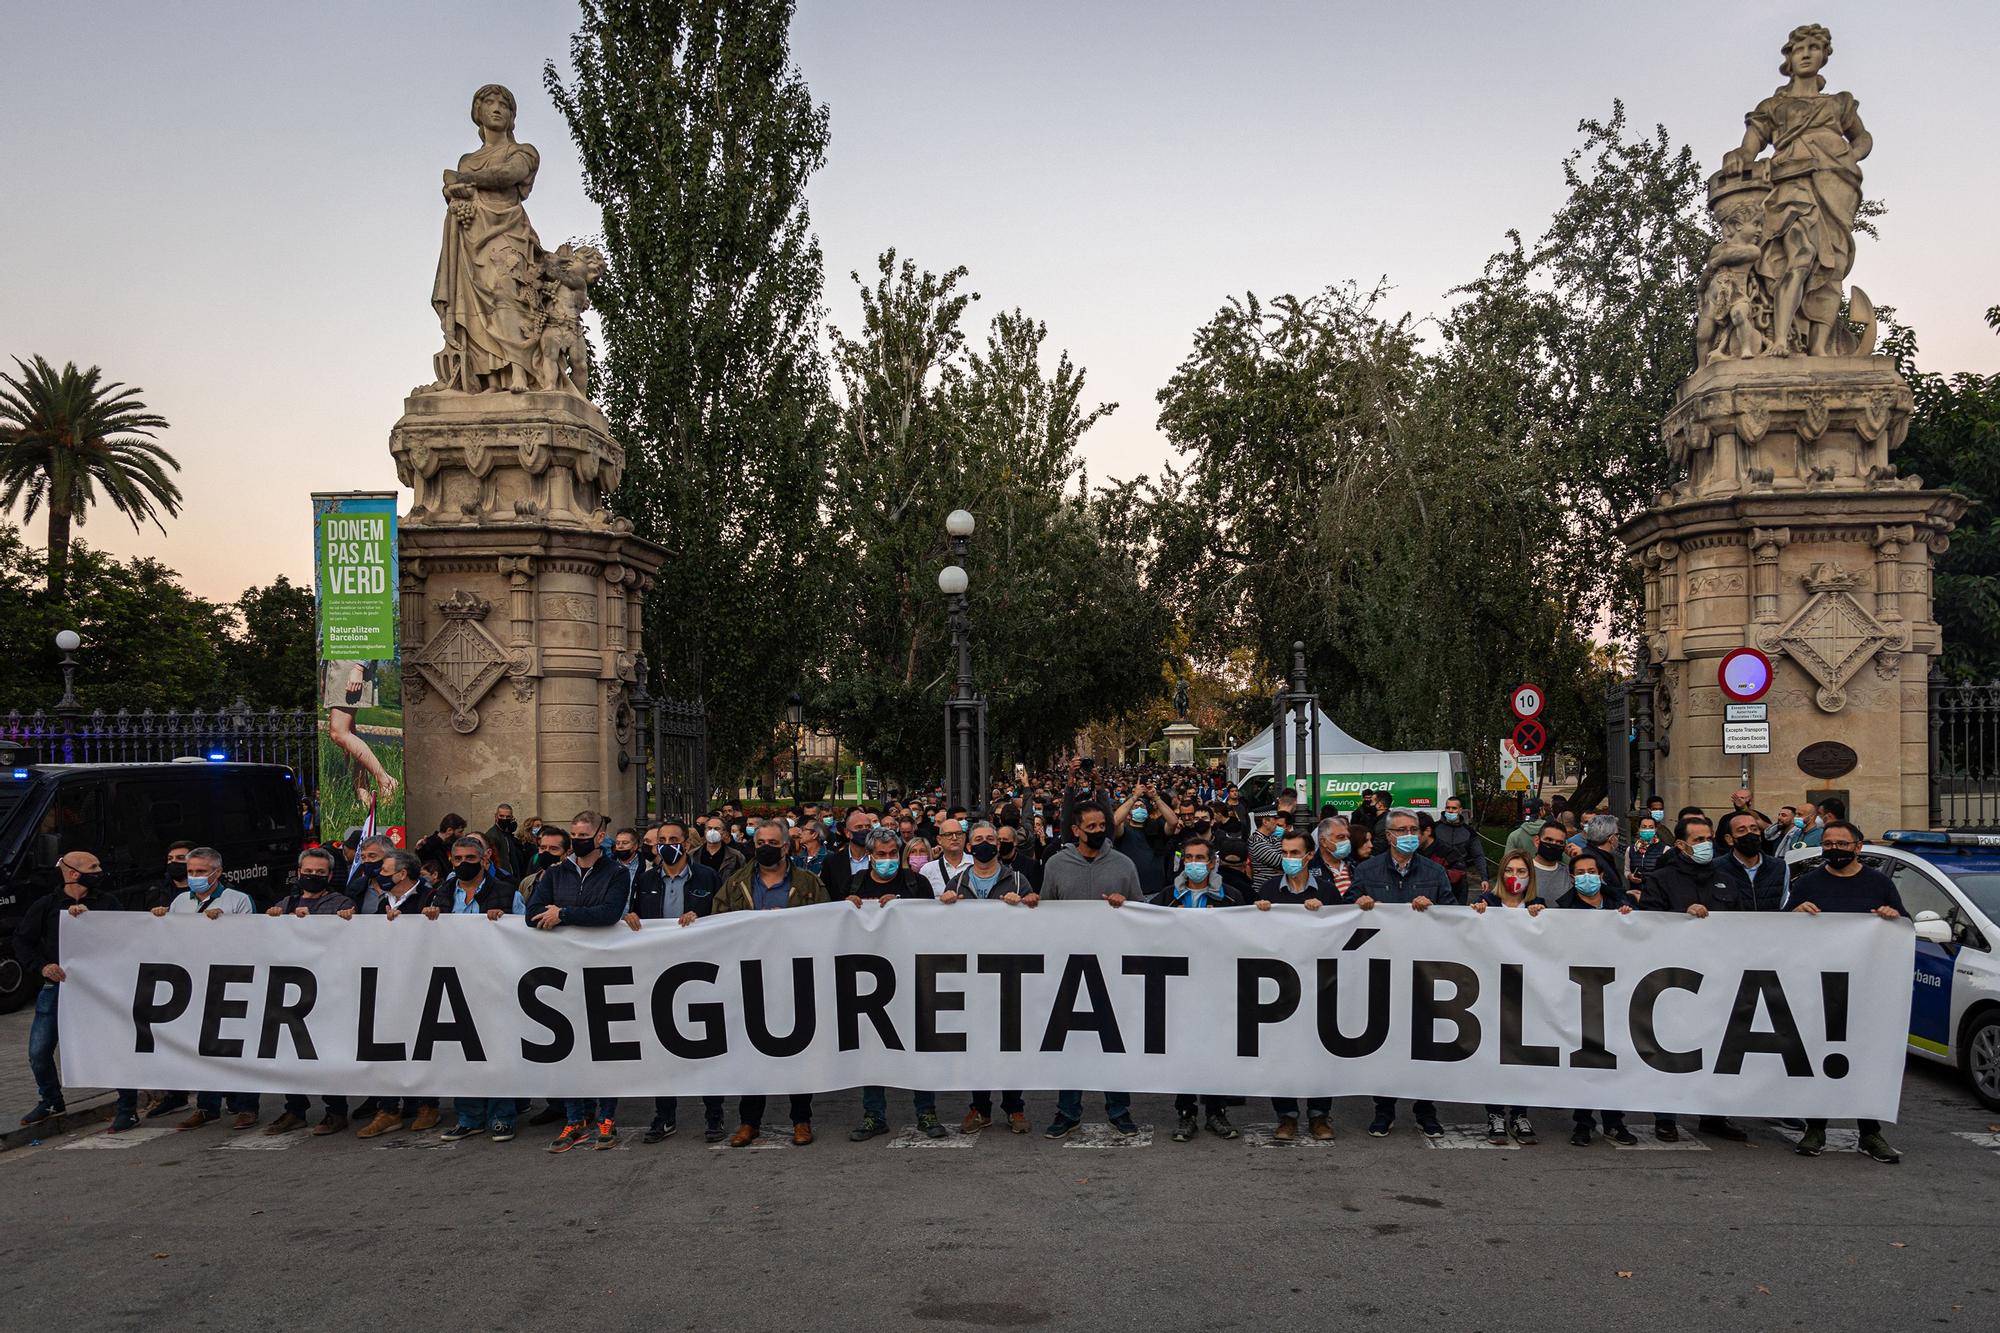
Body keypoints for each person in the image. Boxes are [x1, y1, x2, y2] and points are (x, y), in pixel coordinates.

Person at [1786, 820, 1905, 1163]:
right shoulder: (1808, 882)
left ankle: (1870, 1133)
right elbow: (1780, 927)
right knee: (1819, 1053)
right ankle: (1816, 1127)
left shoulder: (1879, 883)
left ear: (1857, 847)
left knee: (1864, 1057)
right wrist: (1795, 912)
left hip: (1868, 989)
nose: (1834, 848)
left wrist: (1891, 915)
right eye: (1828, 843)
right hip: (1819, 986)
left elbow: (1903, 924)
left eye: (1841, 843)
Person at [709, 819, 827, 1147]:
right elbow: (718, 923)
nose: (765, 847)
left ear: (786, 846)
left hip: (794, 977)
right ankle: (749, 1121)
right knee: (751, 1052)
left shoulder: (808, 884)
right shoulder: (736, 884)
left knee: (797, 1051)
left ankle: (801, 1119)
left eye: (773, 842)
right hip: (750, 979)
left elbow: (826, 924)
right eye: (760, 842)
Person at [1637, 815, 1750, 1144]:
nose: (1706, 845)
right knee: (1672, 1047)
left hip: (1718, 976)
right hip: (1673, 978)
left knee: (1717, 1046)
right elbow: (1650, 922)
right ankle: (1666, 1116)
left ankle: (1714, 1115)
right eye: (1698, 840)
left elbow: (1745, 924)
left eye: (1708, 838)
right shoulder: (1661, 879)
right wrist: (1682, 918)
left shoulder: (1728, 879)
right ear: (1682, 845)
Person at [16, 850, 141, 1132]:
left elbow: (125, 938)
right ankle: (50, 1100)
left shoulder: (108, 903)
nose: (100, 871)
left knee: (114, 1047)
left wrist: (90, 921)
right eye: (93, 867)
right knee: (39, 1051)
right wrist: (42, 967)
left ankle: (127, 1108)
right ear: (73, 873)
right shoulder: (46, 905)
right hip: (57, 989)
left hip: (99, 991)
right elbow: (23, 941)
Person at [1040, 800, 1140, 1140]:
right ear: (1076, 831)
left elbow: (1142, 913)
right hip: (1067, 966)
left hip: (1113, 967)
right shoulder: (1055, 865)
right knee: (1070, 1042)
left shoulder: (1124, 865)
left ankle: (1119, 1109)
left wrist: (1125, 907)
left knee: (1113, 1041)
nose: (1099, 832)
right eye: (1092, 827)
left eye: (1103, 826)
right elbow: (1045, 914)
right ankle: (1067, 1111)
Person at [1355, 809, 1454, 1139]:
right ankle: (1384, 1109)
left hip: (1423, 971)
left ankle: (1426, 1109)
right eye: (1403, 829)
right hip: (1382, 971)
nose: (1411, 833)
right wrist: (1360, 903)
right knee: (1385, 1043)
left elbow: (1455, 916)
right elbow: (1345, 911)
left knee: (1425, 1043)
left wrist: (1435, 910)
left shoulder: (1434, 872)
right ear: (1389, 835)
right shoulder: (1367, 870)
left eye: (1415, 828)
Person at [623, 817, 723, 1143]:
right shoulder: (645, 878)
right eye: (661, 839)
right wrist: (631, 916)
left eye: (674, 838)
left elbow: (724, 917)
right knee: (661, 1046)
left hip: (700, 971)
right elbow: (632, 912)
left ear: (688, 843)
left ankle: (714, 1115)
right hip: (657, 972)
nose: (667, 844)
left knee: (706, 1044)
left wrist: (701, 918)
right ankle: (664, 1116)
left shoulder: (707, 876)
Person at [845, 827, 944, 1140]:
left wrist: (903, 904)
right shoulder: (857, 883)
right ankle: (874, 1115)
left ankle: (926, 1113)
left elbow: (933, 923)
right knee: (873, 1049)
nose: (887, 860)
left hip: (913, 975)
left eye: (892, 854)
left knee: (919, 1045)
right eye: (881, 854)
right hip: (871, 982)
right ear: (871, 856)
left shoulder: (916, 883)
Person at [153, 848, 261, 1129]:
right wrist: (161, 921)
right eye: (191, 872)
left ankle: (246, 1106)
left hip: (232, 982)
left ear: (218, 872)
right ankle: (206, 1105)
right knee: (202, 1047)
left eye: (201, 872)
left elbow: (253, 939)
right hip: (195, 983)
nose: (195, 877)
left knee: (237, 1046)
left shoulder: (237, 900)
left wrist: (225, 925)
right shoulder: (179, 902)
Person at [941, 822, 1034, 1134]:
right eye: (978, 839)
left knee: (1010, 1043)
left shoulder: (1018, 880)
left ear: (999, 844)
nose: (984, 844)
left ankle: (1014, 1107)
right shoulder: (958, 882)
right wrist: (946, 906)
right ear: (969, 846)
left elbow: (1036, 923)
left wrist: (1025, 904)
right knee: (978, 1044)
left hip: (1009, 974)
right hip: (971, 977)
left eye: (990, 839)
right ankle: (979, 1107)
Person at [1152, 835, 1245, 1142]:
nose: (1194, 864)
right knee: (1184, 1050)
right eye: (1188, 858)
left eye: (1200, 858)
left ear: (1212, 863)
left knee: (1218, 1050)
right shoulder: (1168, 897)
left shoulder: (1230, 897)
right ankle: (1185, 1112)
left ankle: (1216, 1112)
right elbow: (1144, 928)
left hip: (1219, 985)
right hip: (1179, 986)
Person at [260, 849, 358, 1137]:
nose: (313, 877)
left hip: (327, 989)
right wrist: (277, 918)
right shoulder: (285, 902)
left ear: (329, 875)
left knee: (326, 1052)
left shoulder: (341, 903)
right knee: (291, 1052)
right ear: (299, 870)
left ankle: (336, 1111)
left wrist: (339, 920)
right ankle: (294, 1109)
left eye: (319, 873)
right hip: (290, 990)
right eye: (308, 872)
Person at [1547, 849, 1639, 1146]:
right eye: (1581, 873)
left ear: (1601, 876)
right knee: (1585, 1060)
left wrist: (1630, 919)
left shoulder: (1620, 903)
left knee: (1614, 1059)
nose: (1588, 877)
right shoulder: (1564, 910)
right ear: (1573, 879)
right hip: (1581, 993)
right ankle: (1583, 1122)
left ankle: (1614, 1121)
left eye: (1592, 872)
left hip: (1618, 991)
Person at [1246, 835, 1335, 1140]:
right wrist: (1257, 912)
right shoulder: (1270, 889)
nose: (1288, 858)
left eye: (1294, 852)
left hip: (1318, 983)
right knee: (1281, 1050)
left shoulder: (1325, 890)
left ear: (1309, 855)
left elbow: (1342, 931)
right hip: (1280, 985)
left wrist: (1324, 912)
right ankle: (1286, 1116)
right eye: (1284, 852)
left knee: (1319, 1050)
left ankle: (1319, 1115)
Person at [1470, 851, 1545, 1144]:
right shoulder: (1487, 905)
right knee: (1493, 1054)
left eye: (1522, 871)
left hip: (1526, 993)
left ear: (1531, 876)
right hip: (1490, 990)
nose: (1516, 876)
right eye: (1510, 870)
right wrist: (1474, 916)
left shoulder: (1539, 907)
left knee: (1520, 1054)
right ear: (1501, 874)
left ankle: (1519, 1112)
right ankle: (1495, 1113)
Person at [1715, 810, 1786, 911]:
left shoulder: (1780, 867)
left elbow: (1785, 907)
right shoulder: (1716, 868)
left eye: (1754, 829)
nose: (1750, 833)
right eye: (1741, 830)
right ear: (1730, 839)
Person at [1430, 795, 1489, 899]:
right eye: (1448, 808)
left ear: (1460, 810)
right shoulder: (1434, 828)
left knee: (1459, 912)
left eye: (1454, 808)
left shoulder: (1469, 832)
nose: (1450, 811)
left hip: (1460, 880)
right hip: (1435, 879)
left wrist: (1484, 878)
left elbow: (1478, 855)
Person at [1307, 815, 1361, 906]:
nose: (1347, 841)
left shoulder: (1355, 865)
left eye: (1348, 837)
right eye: (1341, 837)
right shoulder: (1309, 868)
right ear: (1323, 842)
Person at [919, 817, 970, 893]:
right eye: (948, 834)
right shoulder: (928, 870)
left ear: (964, 837)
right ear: (939, 839)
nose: (954, 838)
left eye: (959, 834)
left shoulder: (976, 864)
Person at [1527, 822, 1573, 903]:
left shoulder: (1570, 873)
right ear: (1537, 841)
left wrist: (1582, 857)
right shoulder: (1523, 871)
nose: (1554, 845)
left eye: (1560, 842)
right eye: (1549, 840)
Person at [1625, 814, 1666, 901]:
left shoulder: (1664, 849)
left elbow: (1666, 875)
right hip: (1634, 894)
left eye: (1651, 827)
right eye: (1644, 827)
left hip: (1656, 895)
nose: (1647, 829)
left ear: (1655, 829)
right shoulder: (1631, 849)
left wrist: (1645, 878)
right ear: (1639, 829)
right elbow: (1626, 870)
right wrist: (1630, 876)